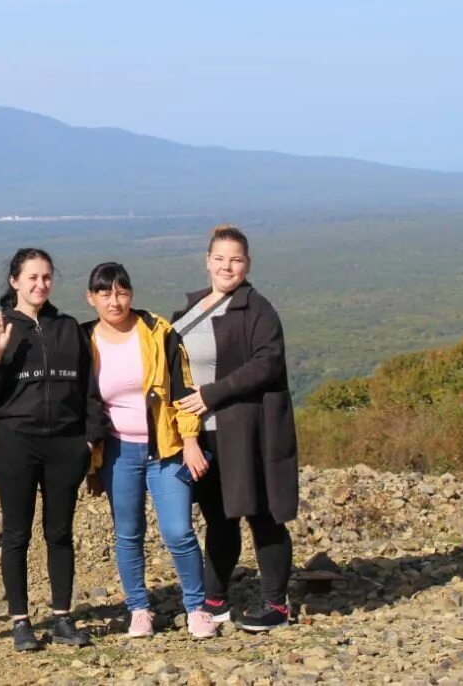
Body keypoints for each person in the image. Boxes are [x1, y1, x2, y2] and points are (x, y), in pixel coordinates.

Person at [172, 225, 299, 632]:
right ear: (207, 261)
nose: (228, 266)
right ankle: (215, 598)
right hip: (203, 433)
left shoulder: (257, 309)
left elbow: (268, 364)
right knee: (219, 517)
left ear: (248, 264)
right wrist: (187, 432)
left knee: (261, 513)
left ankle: (276, 604)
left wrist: (213, 393)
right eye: (221, 258)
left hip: (246, 431)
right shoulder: (189, 311)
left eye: (237, 259)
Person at [82, 262, 217, 639]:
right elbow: (84, 403)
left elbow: (183, 389)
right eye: (105, 293)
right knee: (128, 532)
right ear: (90, 298)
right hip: (117, 452)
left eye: (121, 291)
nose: (115, 300)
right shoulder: (84, 340)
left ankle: (197, 607)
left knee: (178, 531)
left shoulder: (158, 332)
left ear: (132, 294)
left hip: (167, 448)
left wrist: (191, 441)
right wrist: (92, 465)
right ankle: (139, 609)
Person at [0, 248, 99, 652]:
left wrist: (89, 440)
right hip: (16, 442)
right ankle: (21, 621)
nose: (40, 284)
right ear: (14, 281)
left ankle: (63, 617)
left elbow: (90, 389)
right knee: (16, 534)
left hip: (66, 443)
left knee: (60, 533)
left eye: (46, 277)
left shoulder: (68, 328)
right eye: (31, 277)